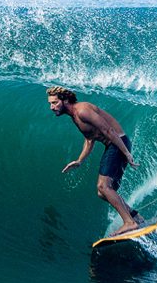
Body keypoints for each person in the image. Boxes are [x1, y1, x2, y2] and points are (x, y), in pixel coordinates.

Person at [47, 86, 144, 235]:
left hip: (117, 143)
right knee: (102, 193)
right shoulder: (74, 116)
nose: (52, 107)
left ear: (65, 100)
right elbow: (89, 139)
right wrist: (79, 160)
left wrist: (126, 153)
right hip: (113, 145)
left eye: (54, 103)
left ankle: (129, 223)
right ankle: (135, 216)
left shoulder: (82, 110)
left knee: (103, 186)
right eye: (50, 104)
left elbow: (108, 131)